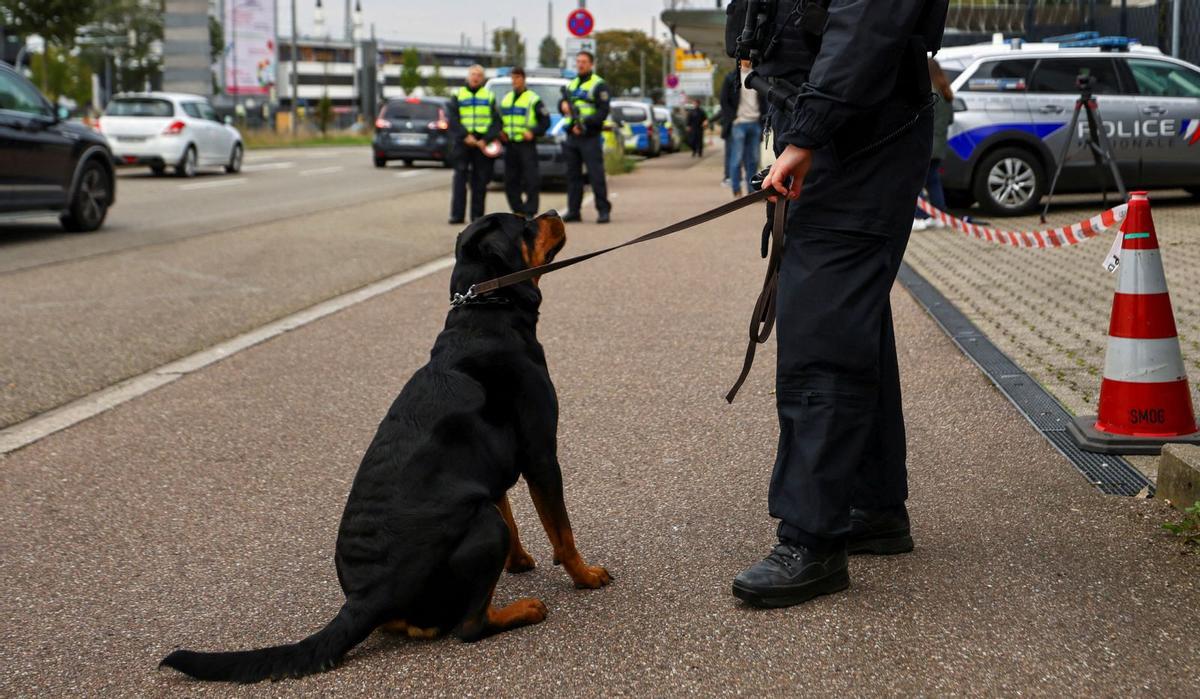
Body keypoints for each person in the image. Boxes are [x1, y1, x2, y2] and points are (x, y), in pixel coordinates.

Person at [730, 0, 948, 608]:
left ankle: (811, 541)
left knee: (823, 335)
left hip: (859, 139)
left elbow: (868, 23)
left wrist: (808, 132)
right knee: (852, 323)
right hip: (845, 131)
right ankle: (873, 508)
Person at [559, 51, 612, 224]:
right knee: (573, 176)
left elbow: (603, 111)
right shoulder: (571, 85)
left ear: (591, 64)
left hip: (589, 135)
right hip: (572, 137)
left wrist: (585, 123)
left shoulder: (599, 85)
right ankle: (574, 211)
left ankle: (603, 211)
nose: (580, 64)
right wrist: (563, 106)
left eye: (584, 62)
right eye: (578, 62)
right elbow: (563, 105)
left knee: (596, 175)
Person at [447, 64, 501, 224]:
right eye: (473, 74)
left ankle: (477, 216)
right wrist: (465, 136)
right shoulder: (458, 95)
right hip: (464, 142)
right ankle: (457, 215)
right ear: (468, 77)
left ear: (483, 78)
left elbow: (497, 122)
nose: (475, 77)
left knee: (480, 180)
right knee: (459, 179)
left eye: (478, 74)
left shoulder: (489, 96)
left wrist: (486, 139)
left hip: (481, 143)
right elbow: (453, 119)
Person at [499, 67, 551, 217]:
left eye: (517, 78)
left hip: (526, 145)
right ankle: (517, 209)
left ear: (523, 79)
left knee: (531, 179)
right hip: (510, 144)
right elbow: (500, 120)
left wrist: (533, 132)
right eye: (512, 78)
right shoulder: (507, 98)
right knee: (510, 180)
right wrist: (500, 132)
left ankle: (530, 211)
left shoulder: (533, 99)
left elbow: (545, 121)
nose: (514, 81)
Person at [912, 58, 955, 231]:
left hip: (924, 146)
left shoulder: (927, 92)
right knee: (933, 181)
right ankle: (940, 216)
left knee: (916, 182)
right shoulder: (945, 92)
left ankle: (920, 217)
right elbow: (950, 120)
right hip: (939, 146)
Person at [720, 59, 768, 197]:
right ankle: (736, 188)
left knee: (753, 159)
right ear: (740, 59)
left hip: (755, 123)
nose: (748, 60)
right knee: (736, 159)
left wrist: (763, 120)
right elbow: (724, 101)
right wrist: (733, 118)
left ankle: (751, 190)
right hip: (739, 123)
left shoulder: (758, 77)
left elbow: (764, 100)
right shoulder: (731, 77)